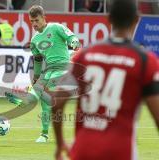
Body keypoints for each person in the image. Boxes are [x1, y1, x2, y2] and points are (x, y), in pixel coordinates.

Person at [52, 0, 159, 159]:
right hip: (120, 152)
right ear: (137, 19)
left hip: (82, 151)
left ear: (108, 18)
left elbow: (57, 102)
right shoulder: (145, 61)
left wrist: (60, 142)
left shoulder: (85, 55)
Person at [5, 5, 81, 143]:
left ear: (43, 18)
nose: (34, 24)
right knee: (40, 99)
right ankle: (43, 133)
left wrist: (74, 42)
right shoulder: (34, 41)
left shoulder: (56, 28)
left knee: (45, 96)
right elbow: (38, 60)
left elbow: (71, 37)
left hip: (63, 68)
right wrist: (36, 77)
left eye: (36, 20)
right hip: (48, 71)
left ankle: (25, 102)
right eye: (31, 21)